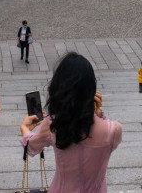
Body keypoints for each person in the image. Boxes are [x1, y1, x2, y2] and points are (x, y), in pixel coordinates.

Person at [20, 52, 122, 192]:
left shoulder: (53, 125)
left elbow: (31, 146)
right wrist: (99, 115)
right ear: (91, 89)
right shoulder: (114, 130)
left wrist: (24, 128)